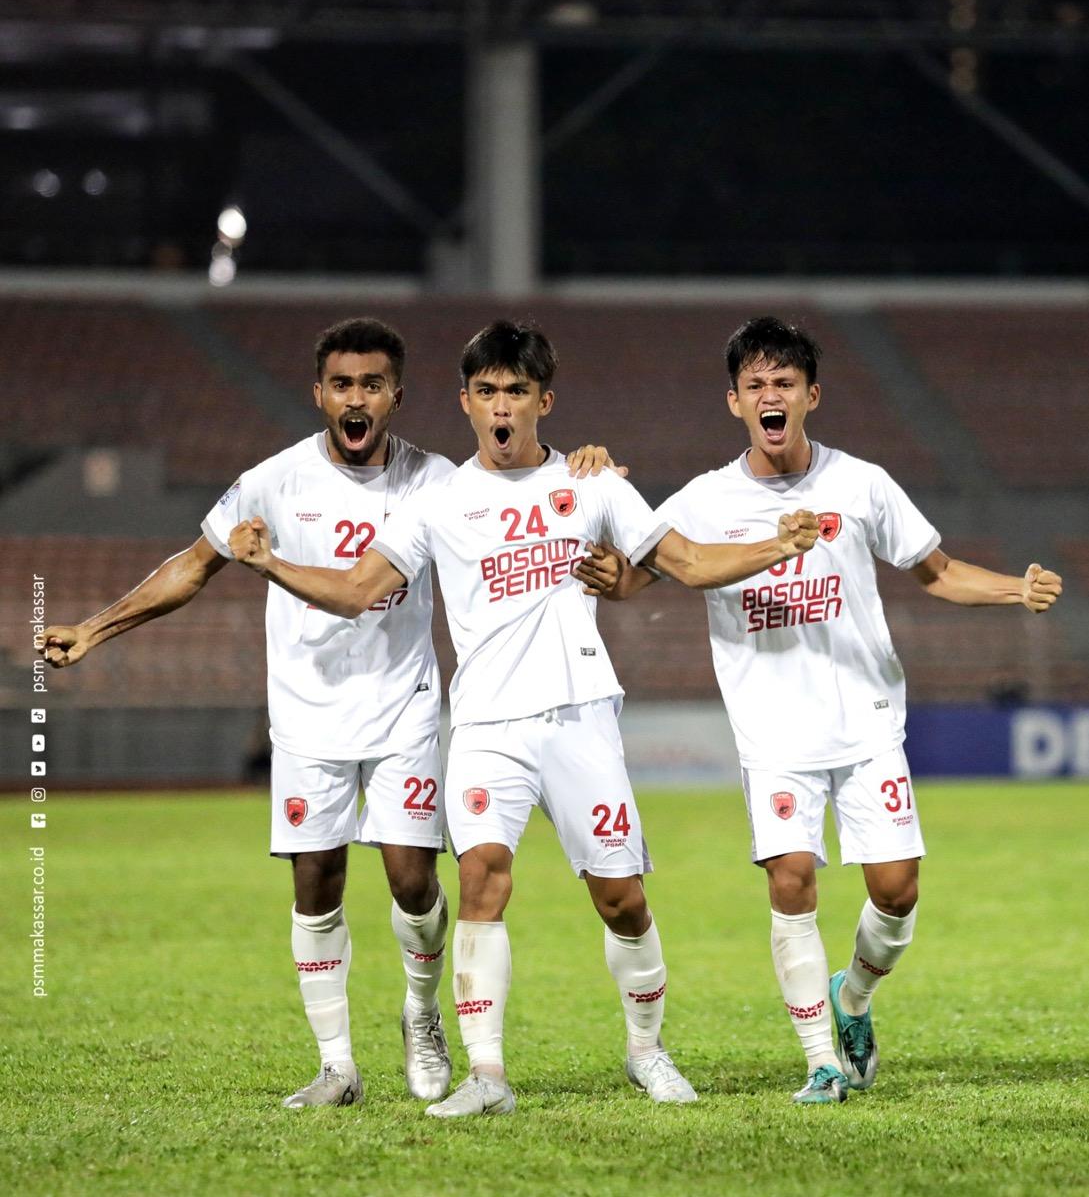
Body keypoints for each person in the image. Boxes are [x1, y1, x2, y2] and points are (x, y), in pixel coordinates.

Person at [227, 318, 819, 1117]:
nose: (500, 407)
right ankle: (488, 1073)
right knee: (479, 881)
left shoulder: (592, 483)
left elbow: (686, 563)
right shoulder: (439, 502)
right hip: (484, 727)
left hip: (579, 714)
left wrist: (773, 548)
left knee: (621, 897)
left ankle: (647, 1050)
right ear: (465, 402)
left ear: (544, 400)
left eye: (515, 392)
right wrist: (269, 564)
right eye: (486, 392)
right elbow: (357, 588)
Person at [36, 315, 619, 1111]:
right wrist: (94, 627)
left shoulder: (438, 480)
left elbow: (521, 480)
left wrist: (583, 467)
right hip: (307, 714)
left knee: (414, 883)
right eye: (341, 383)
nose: (356, 397)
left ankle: (421, 1011)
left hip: (406, 707)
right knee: (317, 882)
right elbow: (194, 566)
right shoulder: (270, 480)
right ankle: (337, 1065)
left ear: (396, 395)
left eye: (371, 384)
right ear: (319, 393)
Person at [603, 315, 1063, 1104]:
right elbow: (625, 579)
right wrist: (593, 485)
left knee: (896, 890)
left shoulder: (860, 484)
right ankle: (820, 1060)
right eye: (755, 385)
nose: (769, 395)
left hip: (866, 721)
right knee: (790, 879)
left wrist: (1013, 590)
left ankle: (852, 999)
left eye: (783, 382)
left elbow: (938, 570)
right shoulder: (706, 500)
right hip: (772, 734)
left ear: (810, 395)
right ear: (733, 402)